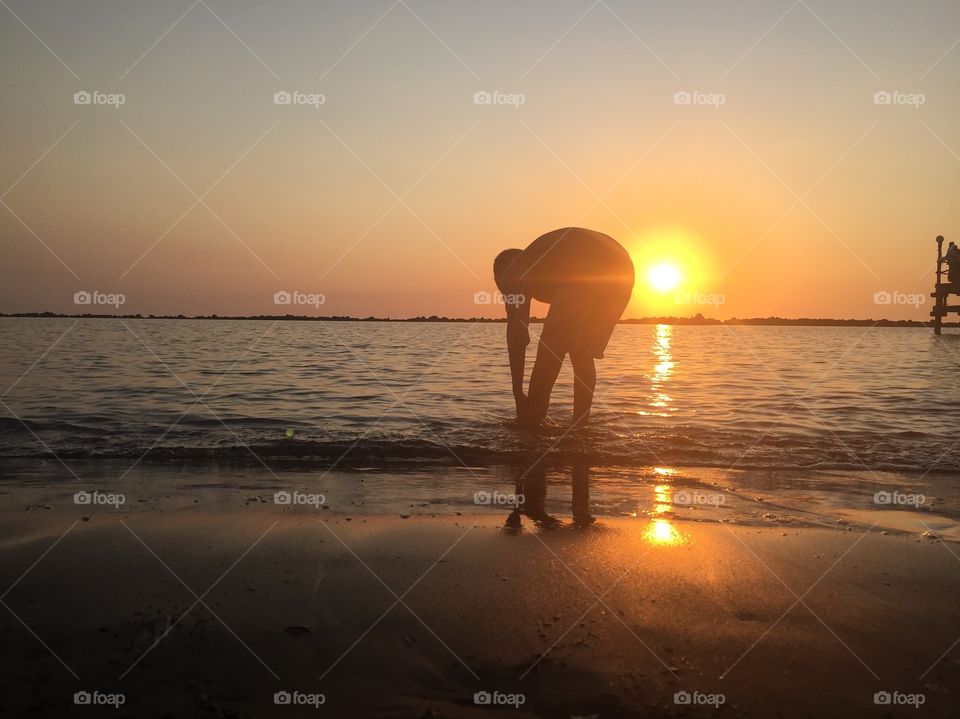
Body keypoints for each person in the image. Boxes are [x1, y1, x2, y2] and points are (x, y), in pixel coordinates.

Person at [493, 227, 634, 427]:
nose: (506, 293)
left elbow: (517, 338)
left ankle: (533, 422)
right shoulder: (545, 263)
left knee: (550, 348)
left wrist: (518, 393)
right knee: (581, 352)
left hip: (589, 265)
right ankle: (581, 427)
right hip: (623, 270)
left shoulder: (512, 271)